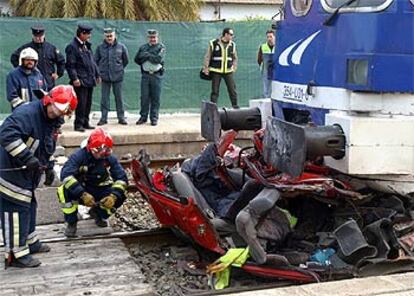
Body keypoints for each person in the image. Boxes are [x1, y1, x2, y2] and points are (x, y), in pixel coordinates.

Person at [0, 85, 78, 268]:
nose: (56, 114)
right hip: (10, 171)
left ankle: (30, 241)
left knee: (30, 205)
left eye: (62, 113)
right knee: (15, 210)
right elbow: (5, 135)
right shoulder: (27, 113)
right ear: (48, 100)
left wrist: (49, 166)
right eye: (56, 110)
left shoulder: (52, 120)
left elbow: (46, 146)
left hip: (26, 172)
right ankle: (16, 255)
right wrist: (27, 157)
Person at [58, 128, 128, 237]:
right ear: (91, 148)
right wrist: (82, 194)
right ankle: (71, 222)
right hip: (82, 188)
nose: (102, 155)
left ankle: (98, 213)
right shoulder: (79, 156)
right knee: (64, 191)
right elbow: (66, 176)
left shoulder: (109, 158)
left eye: (105, 153)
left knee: (121, 195)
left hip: (100, 189)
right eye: (99, 153)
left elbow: (121, 179)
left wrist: (113, 196)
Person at [65, 24, 101, 132]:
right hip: (80, 80)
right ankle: (78, 124)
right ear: (82, 34)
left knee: (88, 102)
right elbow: (70, 65)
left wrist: (97, 74)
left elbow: (92, 62)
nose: (89, 36)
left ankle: (85, 121)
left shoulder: (86, 46)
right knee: (81, 103)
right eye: (88, 34)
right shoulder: (72, 47)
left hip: (89, 79)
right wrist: (75, 78)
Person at [10, 25, 65, 91]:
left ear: (44, 35)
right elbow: (14, 57)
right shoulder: (27, 48)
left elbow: (61, 61)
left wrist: (58, 74)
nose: (38, 38)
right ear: (32, 35)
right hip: (31, 84)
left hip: (48, 83)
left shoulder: (51, 48)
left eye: (40, 36)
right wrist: (22, 70)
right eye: (36, 36)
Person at [95, 28, 129, 126]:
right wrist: (99, 74)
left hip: (118, 77)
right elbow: (95, 61)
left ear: (115, 36)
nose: (109, 38)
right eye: (107, 36)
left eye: (111, 36)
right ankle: (103, 118)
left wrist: (119, 69)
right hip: (104, 77)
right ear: (104, 37)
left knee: (119, 98)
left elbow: (125, 61)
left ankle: (121, 118)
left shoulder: (121, 47)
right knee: (104, 99)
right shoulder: (100, 48)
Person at [134, 29, 166, 126]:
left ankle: (154, 118)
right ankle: (143, 117)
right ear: (148, 38)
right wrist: (149, 56)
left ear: (157, 37)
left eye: (154, 37)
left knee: (155, 98)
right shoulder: (143, 47)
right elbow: (137, 59)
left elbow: (158, 59)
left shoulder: (161, 47)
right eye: (151, 37)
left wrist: (146, 55)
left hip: (156, 75)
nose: (152, 39)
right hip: (146, 75)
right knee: (144, 97)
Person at [202, 28, 239, 109]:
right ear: (225, 34)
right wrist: (206, 68)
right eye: (231, 34)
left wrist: (234, 67)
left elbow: (235, 58)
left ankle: (235, 107)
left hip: (228, 71)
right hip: (216, 71)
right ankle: (212, 108)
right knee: (215, 91)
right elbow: (208, 56)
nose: (232, 36)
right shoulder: (214, 43)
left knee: (232, 90)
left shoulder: (232, 45)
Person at [257, 30, 275, 98]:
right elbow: (259, 60)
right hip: (266, 70)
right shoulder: (263, 47)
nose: (269, 38)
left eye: (271, 37)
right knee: (266, 87)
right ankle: (267, 100)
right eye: (268, 37)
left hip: (276, 71)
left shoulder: (278, 46)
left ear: (274, 37)